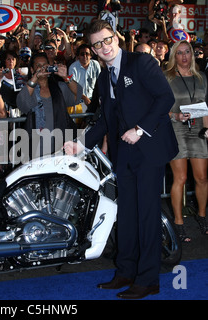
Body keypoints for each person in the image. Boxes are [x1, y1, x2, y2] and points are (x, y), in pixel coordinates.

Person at [63, 20, 178, 299]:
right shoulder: (104, 78)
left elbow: (166, 98)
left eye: (106, 40)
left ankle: (148, 279)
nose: (103, 47)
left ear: (116, 37)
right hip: (123, 153)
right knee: (126, 214)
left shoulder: (141, 63)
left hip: (150, 148)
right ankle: (125, 271)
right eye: (96, 44)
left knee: (147, 215)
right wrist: (80, 144)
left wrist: (139, 130)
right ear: (91, 47)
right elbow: (106, 119)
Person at [164, 40, 208, 241]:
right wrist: (176, 116)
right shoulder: (167, 77)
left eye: (187, 52)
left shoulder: (201, 78)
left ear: (192, 54)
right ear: (174, 56)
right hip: (176, 129)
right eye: (180, 53)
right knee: (180, 178)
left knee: (201, 178)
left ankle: (202, 216)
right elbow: (160, 109)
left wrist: (207, 128)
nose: (184, 56)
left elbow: (205, 106)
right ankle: (179, 223)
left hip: (198, 129)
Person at [17, 52, 82, 158]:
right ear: (32, 70)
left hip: (60, 143)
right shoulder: (29, 89)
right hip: (36, 145)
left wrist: (66, 77)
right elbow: (22, 103)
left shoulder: (59, 87)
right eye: (38, 66)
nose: (42, 68)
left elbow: (78, 95)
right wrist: (34, 78)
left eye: (45, 65)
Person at [68, 43, 101, 108]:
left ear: (91, 55)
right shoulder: (73, 67)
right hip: (79, 101)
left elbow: (99, 83)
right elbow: (72, 88)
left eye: (87, 54)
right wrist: (84, 98)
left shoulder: (96, 64)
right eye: (82, 54)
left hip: (94, 100)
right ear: (78, 56)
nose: (85, 56)